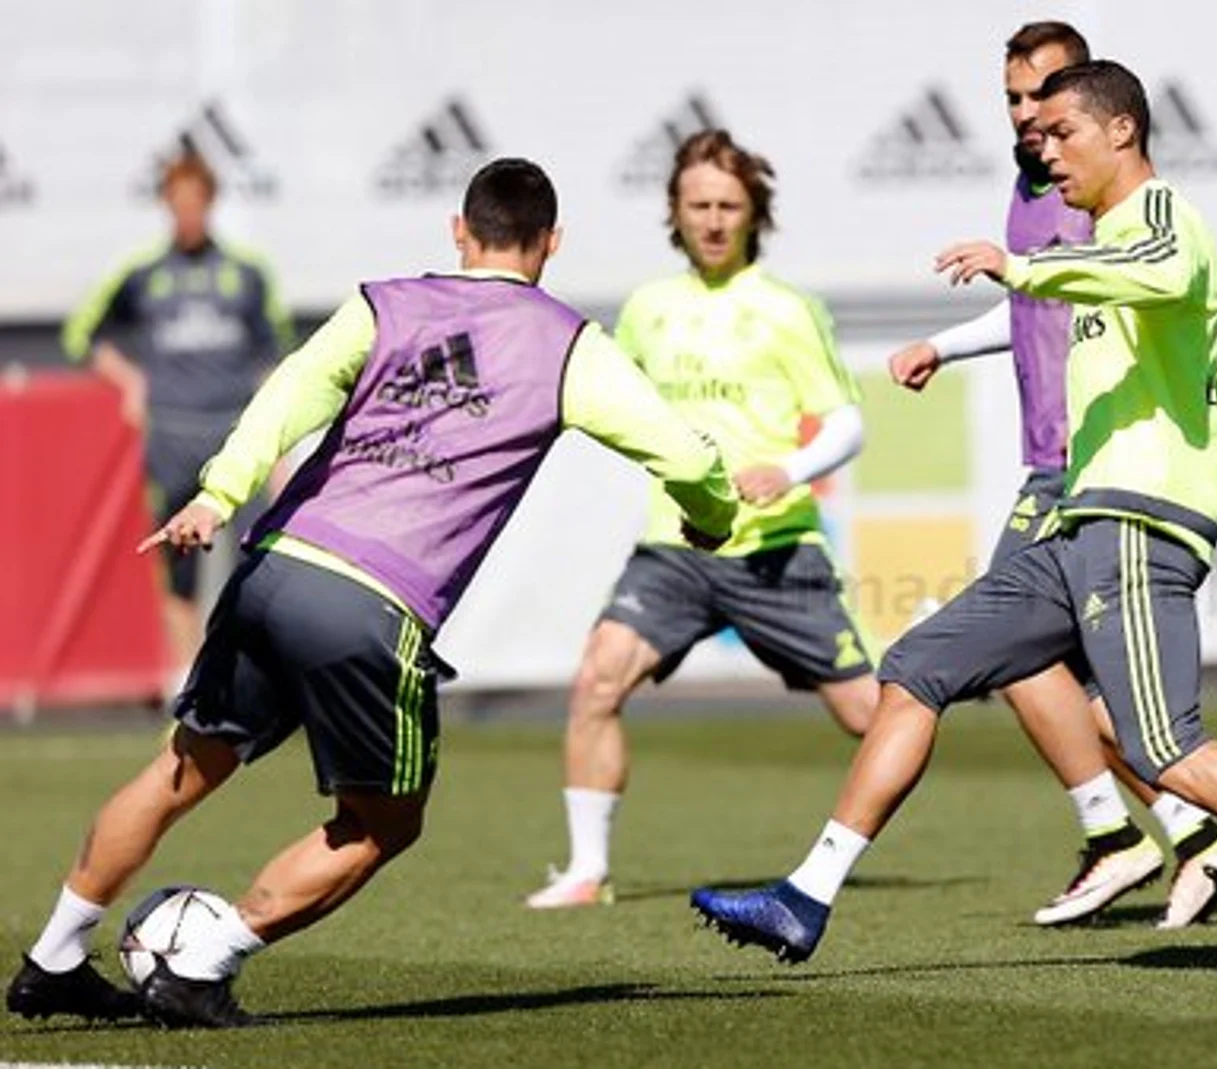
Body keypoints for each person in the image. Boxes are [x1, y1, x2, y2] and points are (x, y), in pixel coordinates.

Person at [690, 60, 1217, 976]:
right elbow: (1071, 294)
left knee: (1166, 747)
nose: (1045, 152)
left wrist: (1022, 265)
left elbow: (1159, 269)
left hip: (1140, 525)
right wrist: (975, 324)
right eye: (1037, 137)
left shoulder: (1161, 217)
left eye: (1062, 133)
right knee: (917, 668)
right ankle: (805, 895)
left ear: (1121, 130)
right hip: (1077, 524)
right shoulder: (1095, 242)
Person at [5, 158, 738, 1028]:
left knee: (179, 768)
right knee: (384, 822)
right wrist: (713, 517)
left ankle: (53, 956)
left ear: (459, 232)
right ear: (552, 242)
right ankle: (199, 963)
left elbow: (290, 390)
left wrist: (219, 492)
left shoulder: (385, 303)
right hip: (371, 605)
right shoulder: (568, 345)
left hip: (275, 567)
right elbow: (686, 456)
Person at [884, 21, 1217, 930]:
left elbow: (1138, 282)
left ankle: (1152, 837)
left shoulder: (1108, 194)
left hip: (1093, 469)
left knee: (1045, 669)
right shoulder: (1034, 190)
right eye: (1013, 99)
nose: (1028, 117)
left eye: (1045, 98)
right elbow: (1033, 305)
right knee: (1098, 696)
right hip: (1065, 463)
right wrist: (944, 345)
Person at [527, 130, 878, 910]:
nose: (714, 221)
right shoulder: (648, 309)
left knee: (872, 716)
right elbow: (606, 398)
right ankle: (587, 871)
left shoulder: (788, 310)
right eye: (699, 206)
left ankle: (839, 852)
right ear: (675, 213)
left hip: (775, 549)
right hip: (676, 548)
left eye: (728, 205)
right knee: (596, 679)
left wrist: (786, 471)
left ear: (754, 213)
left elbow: (847, 423)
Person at [61, 151, 294, 678]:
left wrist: (277, 445)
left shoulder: (245, 273)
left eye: (196, 204)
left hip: (234, 437)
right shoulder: (144, 274)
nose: (187, 215)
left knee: (256, 563)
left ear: (209, 204)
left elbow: (277, 361)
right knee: (178, 569)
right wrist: (130, 381)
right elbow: (81, 335)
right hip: (170, 437)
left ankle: (244, 678)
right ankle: (187, 684)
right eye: (178, 204)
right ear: (166, 205)